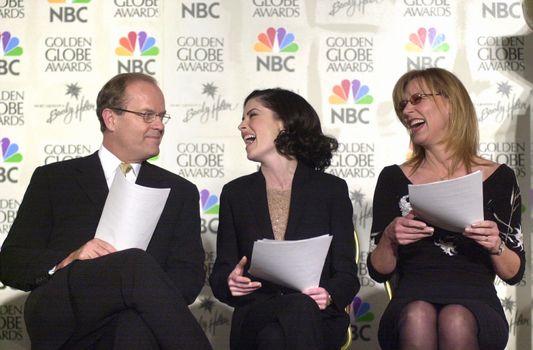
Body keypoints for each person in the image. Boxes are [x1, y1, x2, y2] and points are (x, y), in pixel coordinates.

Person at [0, 73, 212, 350]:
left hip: (138, 315)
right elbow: (11, 263)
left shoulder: (180, 190)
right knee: (134, 263)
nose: (159, 125)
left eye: (162, 116)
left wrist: (138, 293)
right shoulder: (54, 179)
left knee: (133, 324)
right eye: (147, 115)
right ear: (111, 118)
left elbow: (187, 277)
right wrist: (70, 256)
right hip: (64, 312)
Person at [368, 67, 525, 350]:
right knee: (417, 314)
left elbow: (514, 272)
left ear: (451, 103)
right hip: (411, 298)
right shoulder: (393, 178)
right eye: (402, 104)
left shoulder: (500, 177)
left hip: (476, 301)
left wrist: (495, 245)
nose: (407, 110)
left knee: (455, 318)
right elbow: (378, 271)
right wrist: (390, 237)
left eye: (417, 99)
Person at [209, 88, 360, 350]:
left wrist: (328, 294)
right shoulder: (236, 193)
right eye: (243, 118)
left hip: (317, 316)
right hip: (257, 313)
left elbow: (347, 274)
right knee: (286, 319)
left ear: (284, 123)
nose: (242, 125)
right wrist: (230, 282)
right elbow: (222, 272)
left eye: (252, 115)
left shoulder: (330, 190)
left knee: (277, 337)